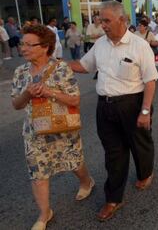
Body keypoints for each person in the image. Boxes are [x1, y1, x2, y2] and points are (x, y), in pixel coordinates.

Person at [69, 1, 158, 221]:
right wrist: (57, 64)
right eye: (101, 20)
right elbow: (84, 66)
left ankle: (145, 173)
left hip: (133, 104)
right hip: (105, 107)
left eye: (107, 20)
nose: (102, 25)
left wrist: (145, 111)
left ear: (123, 20)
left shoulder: (139, 46)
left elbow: (150, 81)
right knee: (113, 154)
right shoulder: (100, 44)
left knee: (140, 145)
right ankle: (113, 199)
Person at [11, 25, 93, 230]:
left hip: (63, 127)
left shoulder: (61, 68)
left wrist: (49, 92)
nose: (24, 48)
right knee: (38, 173)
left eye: (30, 44)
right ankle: (44, 213)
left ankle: (86, 182)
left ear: (45, 47)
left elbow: (74, 99)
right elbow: (16, 104)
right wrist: (28, 94)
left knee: (73, 161)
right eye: (23, 43)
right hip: (34, 132)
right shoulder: (20, 72)